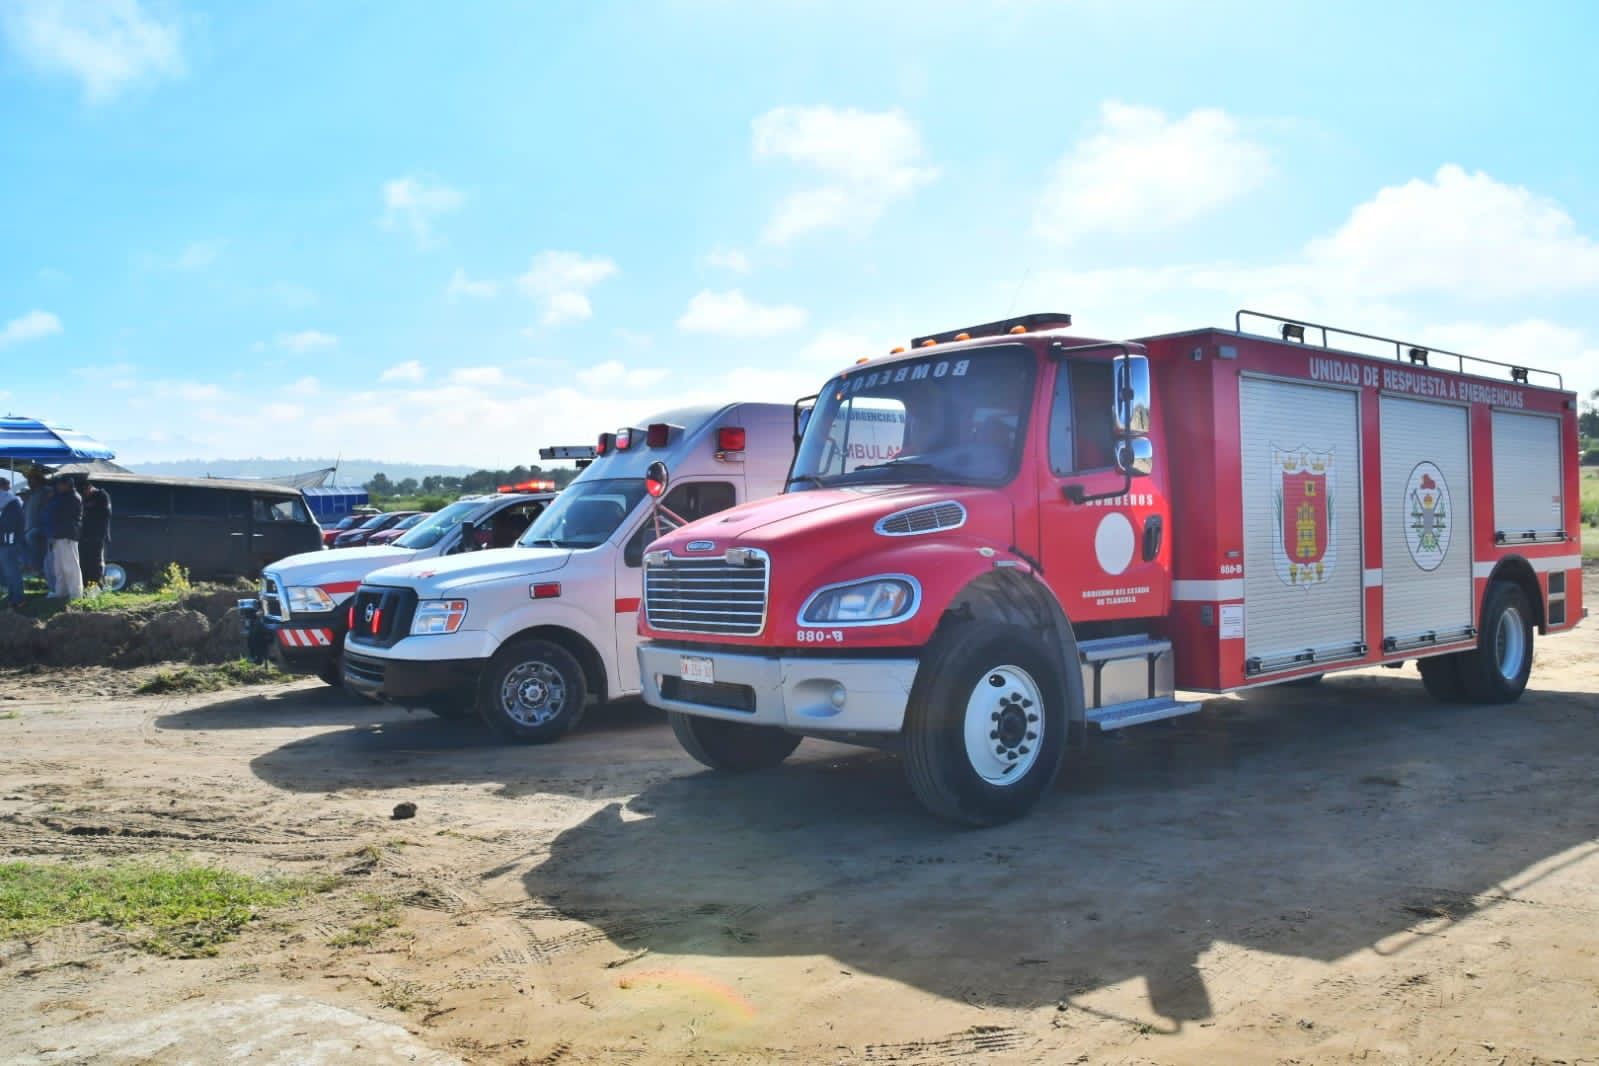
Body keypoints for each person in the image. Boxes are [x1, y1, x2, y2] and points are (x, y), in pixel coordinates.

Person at [45, 476, 84, 601]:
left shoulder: (73, 498)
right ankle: (61, 591)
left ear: (67, 485)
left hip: (67, 535)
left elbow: (66, 517)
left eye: (60, 485)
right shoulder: (63, 497)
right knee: (59, 567)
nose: (58, 487)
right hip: (58, 535)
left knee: (70, 566)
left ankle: (75, 594)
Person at [79, 477, 112, 589]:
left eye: (85, 491)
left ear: (89, 487)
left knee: (96, 562)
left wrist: (89, 508)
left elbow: (106, 513)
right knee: (84, 561)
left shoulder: (102, 496)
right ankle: (85, 584)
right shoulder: (86, 498)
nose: (84, 494)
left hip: (98, 535)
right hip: (85, 535)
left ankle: (96, 585)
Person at [0, 478, 24, 608]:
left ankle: (18, 599)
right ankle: (12, 597)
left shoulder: (10, 502)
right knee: (8, 571)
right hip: (6, 541)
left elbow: (10, 525)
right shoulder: (9, 502)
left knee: (12, 571)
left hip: (10, 542)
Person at [23, 470, 49, 585]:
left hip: (39, 528)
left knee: (36, 549)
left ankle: (39, 571)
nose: (29, 482)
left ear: (38, 480)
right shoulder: (31, 494)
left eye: (31, 479)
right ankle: (32, 570)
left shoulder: (46, 491)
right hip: (28, 528)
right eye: (28, 479)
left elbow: (47, 510)